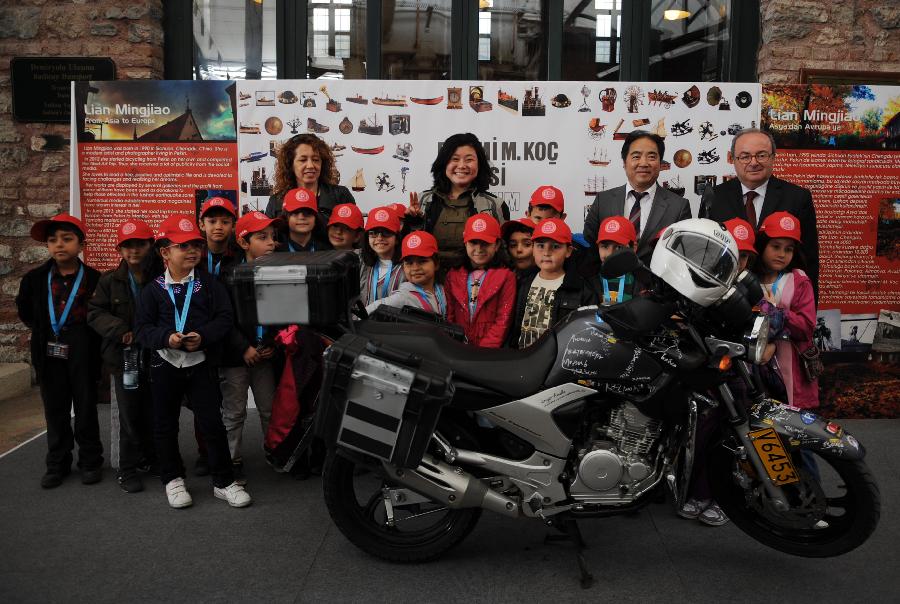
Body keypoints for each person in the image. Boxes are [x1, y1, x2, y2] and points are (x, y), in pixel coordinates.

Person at [134, 214, 251, 509]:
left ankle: (224, 481)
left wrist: (204, 336)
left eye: (195, 246)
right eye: (182, 246)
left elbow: (225, 318)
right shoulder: (153, 290)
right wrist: (166, 337)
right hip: (164, 364)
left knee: (212, 422)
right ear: (164, 252)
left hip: (200, 363)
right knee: (164, 424)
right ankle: (173, 480)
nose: (192, 251)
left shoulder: (210, 284)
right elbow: (142, 329)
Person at [16, 213, 103, 489]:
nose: (59, 245)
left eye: (67, 239)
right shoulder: (34, 279)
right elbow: (26, 312)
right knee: (55, 408)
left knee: (86, 405)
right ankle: (57, 463)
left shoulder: (94, 279)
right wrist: (49, 331)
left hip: (83, 346)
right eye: (53, 240)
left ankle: (90, 461)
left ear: (81, 244)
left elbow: (99, 315)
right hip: (49, 345)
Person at [699, 128, 819, 299]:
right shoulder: (715, 196)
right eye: (745, 156)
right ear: (733, 159)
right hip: (726, 300)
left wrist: (808, 311)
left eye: (761, 155)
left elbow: (809, 260)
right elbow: (705, 254)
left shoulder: (798, 197)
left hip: (782, 302)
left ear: (773, 157)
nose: (753, 162)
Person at [87, 219, 157, 493]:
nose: (134, 251)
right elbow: (95, 313)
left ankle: (152, 459)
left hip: (155, 356)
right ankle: (127, 470)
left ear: (150, 245)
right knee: (129, 414)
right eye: (127, 246)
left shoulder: (161, 278)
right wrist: (119, 330)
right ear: (120, 249)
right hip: (124, 359)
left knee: (154, 410)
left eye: (139, 244)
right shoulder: (108, 281)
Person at [220, 211, 283, 486]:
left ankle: (274, 452)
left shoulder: (280, 273)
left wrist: (272, 344)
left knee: (270, 408)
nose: (271, 243)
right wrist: (243, 347)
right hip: (236, 357)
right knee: (234, 411)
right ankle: (230, 460)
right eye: (262, 237)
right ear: (244, 243)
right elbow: (224, 319)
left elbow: (283, 314)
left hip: (265, 355)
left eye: (273, 237)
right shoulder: (229, 275)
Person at [583, 131, 691, 264]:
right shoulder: (603, 201)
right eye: (636, 156)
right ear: (624, 162)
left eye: (651, 157)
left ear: (660, 163)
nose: (644, 163)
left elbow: (682, 255)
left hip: (656, 282)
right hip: (610, 282)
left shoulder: (679, 207)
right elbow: (590, 245)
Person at [405, 132, 508, 269]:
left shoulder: (495, 205)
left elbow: (503, 253)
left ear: (480, 164)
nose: (462, 165)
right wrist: (413, 223)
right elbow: (410, 250)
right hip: (429, 282)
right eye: (455, 159)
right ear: (444, 163)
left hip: (474, 283)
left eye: (469, 160)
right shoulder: (424, 200)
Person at [752, 211, 819, 409]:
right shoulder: (748, 279)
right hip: (753, 368)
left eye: (789, 249)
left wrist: (774, 311)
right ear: (763, 244)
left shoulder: (799, 281)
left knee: (789, 426)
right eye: (775, 247)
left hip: (792, 371)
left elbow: (806, 327)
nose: (782, 254)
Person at [506, 218, 599, 349]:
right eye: (540, 245)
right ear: (533, 248)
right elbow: (515, 326)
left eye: (555, 246)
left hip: (557, 362)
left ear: (568, 251)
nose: (546, 252)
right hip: (523, 358)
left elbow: (587, 335)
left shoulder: (581, 290)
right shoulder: (523, 283)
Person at [445, 215, 516, 348]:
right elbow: (449, 315)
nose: (479, 249)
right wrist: (454, 344)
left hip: (488, 353)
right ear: (465, 242)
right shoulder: (453, 275)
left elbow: (503, 321)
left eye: (485, 243)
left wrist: (482, 352)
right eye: (473, 243)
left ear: (497, 245)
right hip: (458, 348)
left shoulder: (507, 277)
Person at [264, 133, 355, 221]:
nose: (310, 165)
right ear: (290, 164)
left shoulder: (341, 196)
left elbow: (355, 234)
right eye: (303, 160)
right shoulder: (276, 202)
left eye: (316, 160)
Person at [365, 231, 447, 317]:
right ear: (403, 267)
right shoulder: (404, 296)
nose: (415, 268)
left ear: (436, 264)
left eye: (422, 261)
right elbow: (373, 307)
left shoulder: (440, 289)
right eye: (409, 263)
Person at [360, 207, 405, 308]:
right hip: (361, 323)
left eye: (386, 233)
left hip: (393, 323)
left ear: (397, 238)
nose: (379, 238)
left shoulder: (407, 266)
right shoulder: (360, 261)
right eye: (373, 233)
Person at [595, 216, 638, 305]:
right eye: (605, 246)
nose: (610, 254)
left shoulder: (640, 282)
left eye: (618, 247)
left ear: (633, 248)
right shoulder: (591, 281)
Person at [198, 196, 239, 278]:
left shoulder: (240, 256)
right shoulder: (195, 255)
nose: (218, 227)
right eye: (212, 221)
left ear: (233, 226)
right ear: (202, 225)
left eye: (225, 222)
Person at [280, 187, 331, 252]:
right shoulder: (274, 253)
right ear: (286, 218)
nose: (301, 217)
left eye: (307, 212)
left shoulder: (327, 251)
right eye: (295, 212)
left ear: (316, 218)